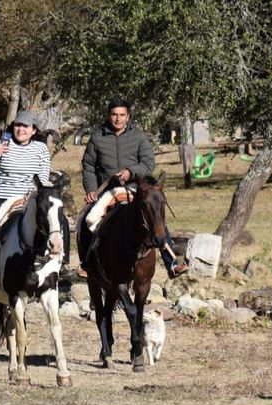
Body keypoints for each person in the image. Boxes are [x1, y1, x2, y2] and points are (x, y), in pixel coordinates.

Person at [77, 97, 188, 278]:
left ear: (128, 117)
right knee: (87, 218)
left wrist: (131, 171)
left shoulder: (139, 137)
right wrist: (90, 189)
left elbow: (148, 163)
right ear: (108, 115)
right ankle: (87, 264)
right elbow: (88, 166)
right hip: (108, 190)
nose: (118, 119)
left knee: (155, 215)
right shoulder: (97, 138)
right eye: (114, 115)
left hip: (138, 188)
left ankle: (171, 262)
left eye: (122, 115)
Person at [0, 109, 52, 278]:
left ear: (33, 130)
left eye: (25, 126)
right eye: (17, 125)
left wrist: (34, 195)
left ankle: (59, 261)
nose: (20, 129)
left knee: (57, 222)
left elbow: (44, 177)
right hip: (2, 194)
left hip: (29, 196)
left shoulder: (41, 149)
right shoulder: (3, 142)